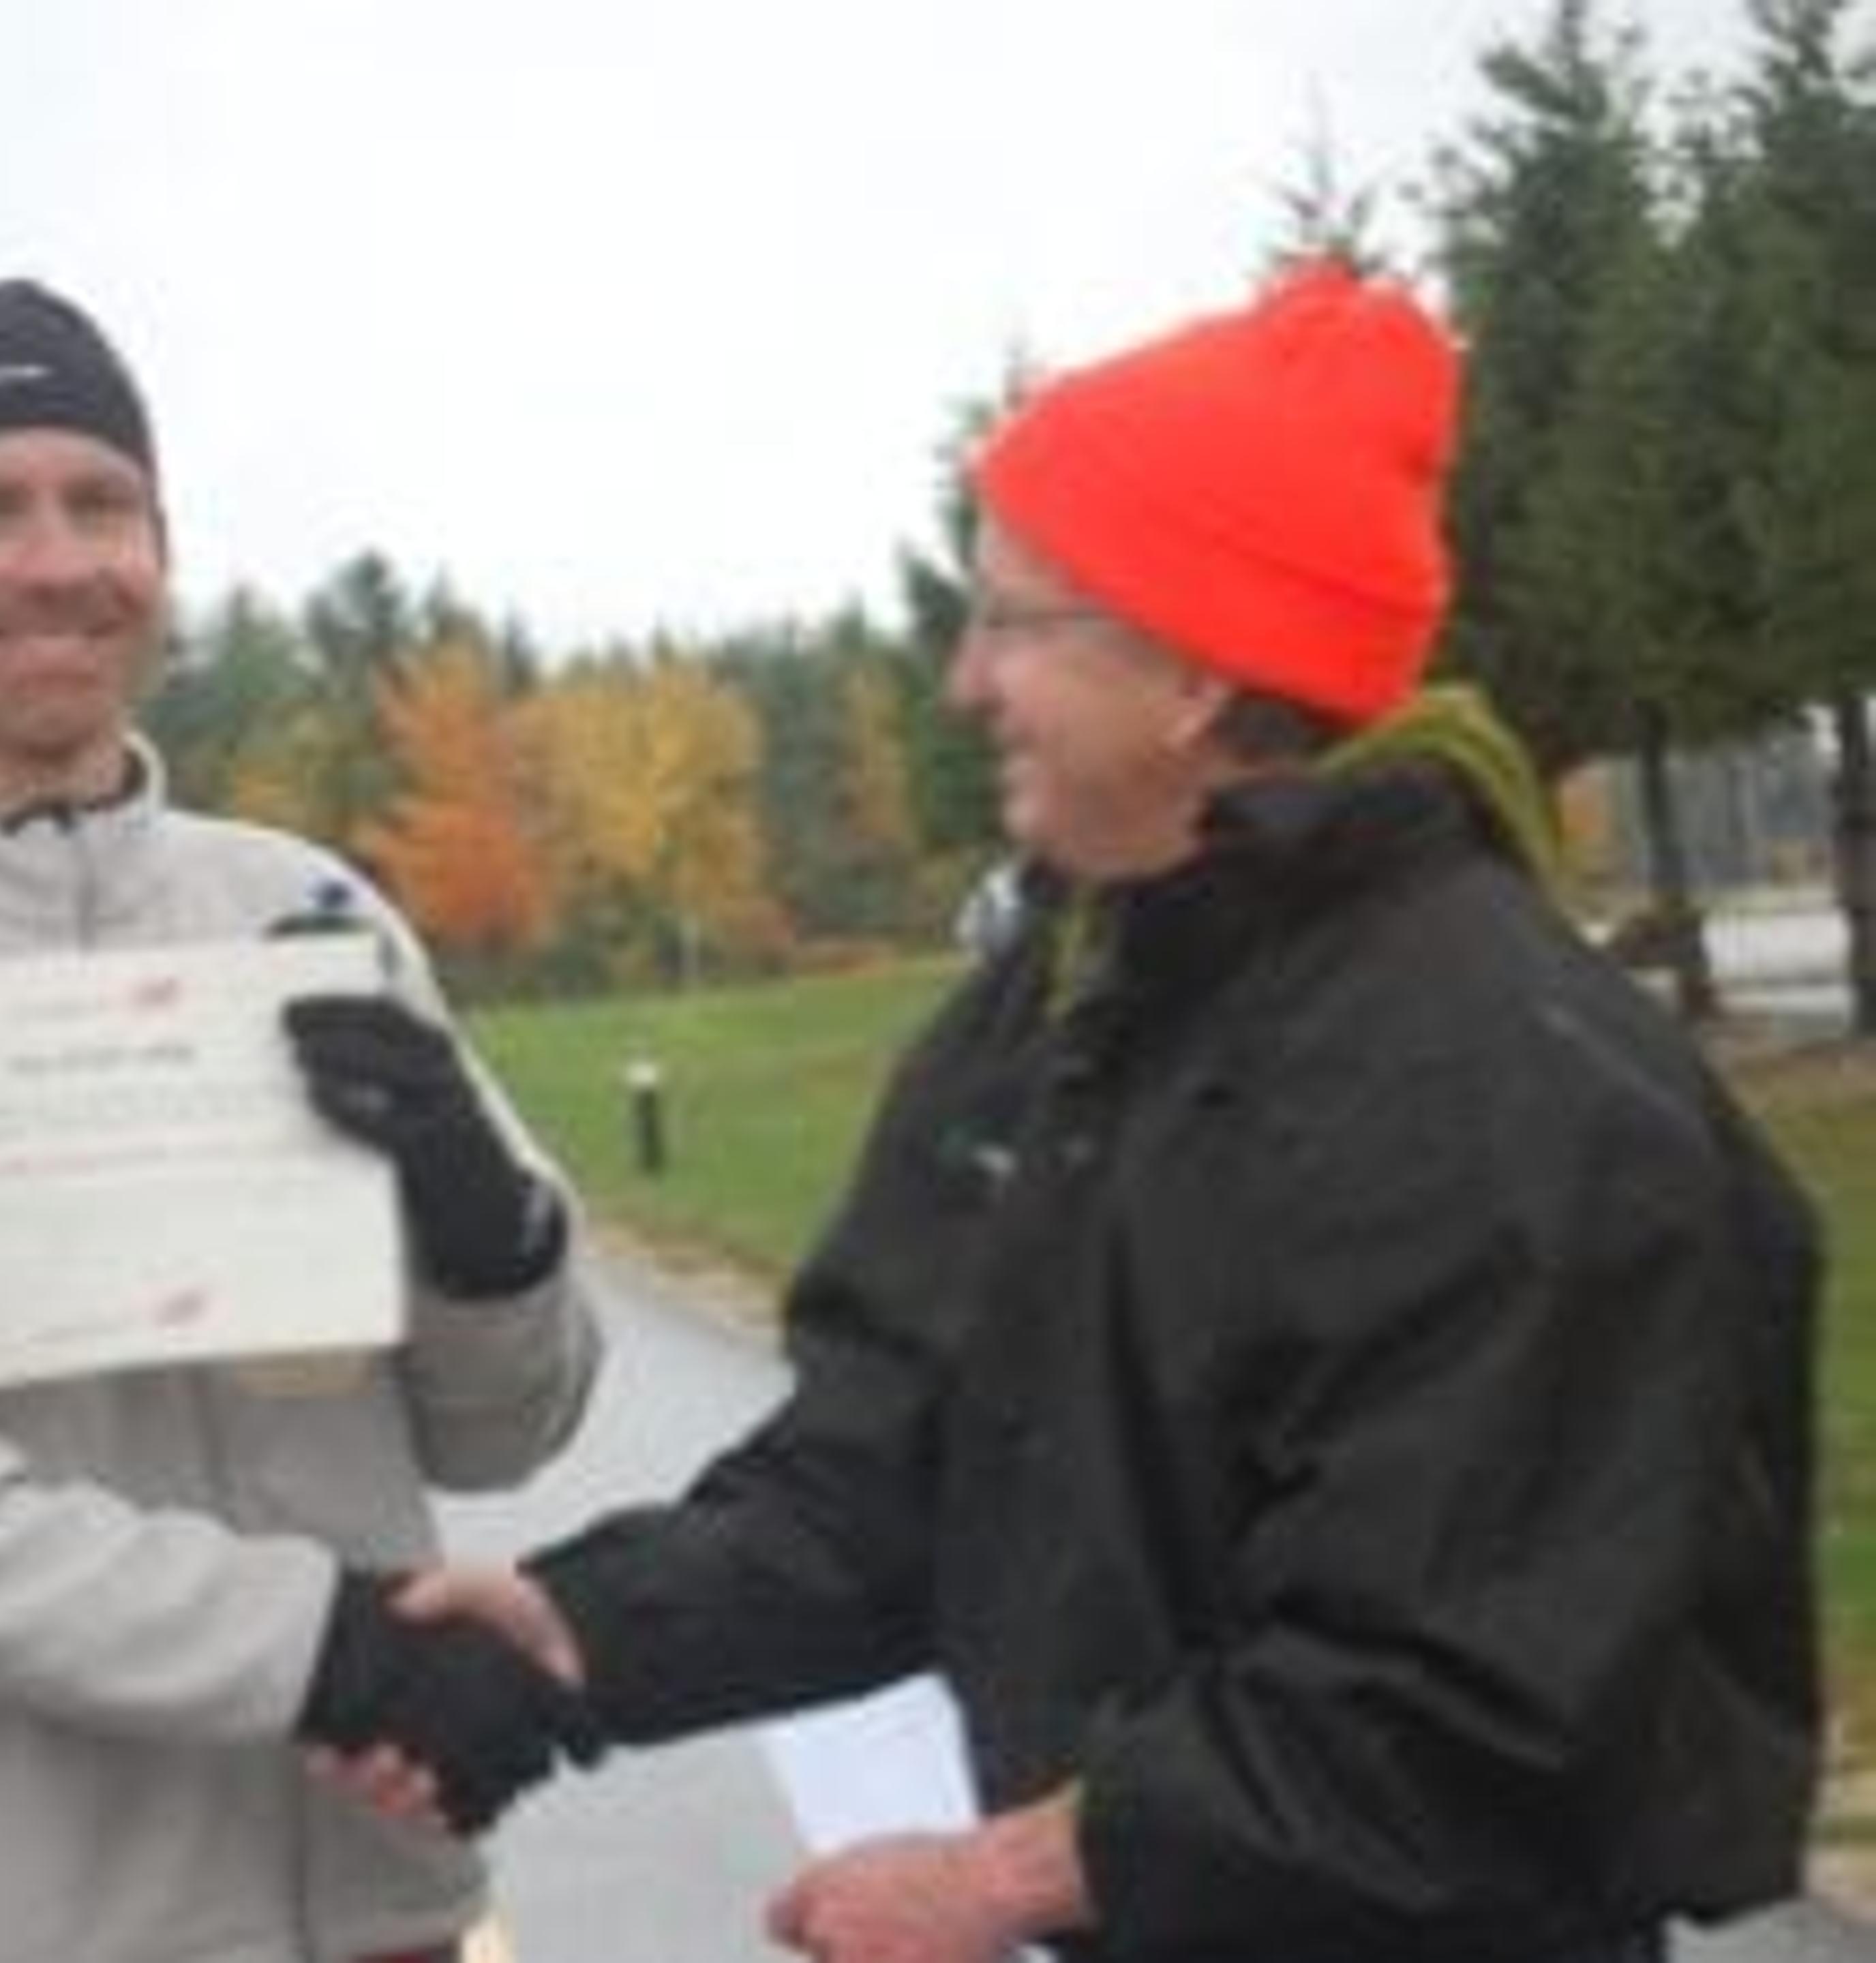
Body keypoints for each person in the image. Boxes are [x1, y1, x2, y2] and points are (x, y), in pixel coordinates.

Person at [376, 266, 1824, 1962]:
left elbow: (1463, 1705)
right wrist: (571, 1634)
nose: (962, 682)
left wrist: (999, 1877)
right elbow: (895, 1469)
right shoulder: (1075, 989)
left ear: (1199, 672)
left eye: (1012, 620)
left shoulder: (1517, 1095)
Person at [0, 277, 603, 1963]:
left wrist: (487, 1241)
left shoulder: (303, 908)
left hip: (369, 1893)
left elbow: (503, 1431)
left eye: (105, 503)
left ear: (162, 549)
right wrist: (332, 1649)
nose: (58, 561)